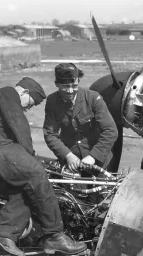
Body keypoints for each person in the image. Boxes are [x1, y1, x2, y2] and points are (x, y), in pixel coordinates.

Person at [0, 77, 87, 256]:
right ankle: (55, 235)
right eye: (31, 103)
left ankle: (3, 234)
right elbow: (19, 125)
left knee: (25, 187)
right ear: (24, 92)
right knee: (35, 173)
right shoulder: (8, 92)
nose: (28, 108)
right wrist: (31, 157)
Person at [43, 63, 118, 201]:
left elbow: (111, 131)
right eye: (65, 86)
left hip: (99, 161)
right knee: (72, 201)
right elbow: (50, 134)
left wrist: (93, 156)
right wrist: (67, 155)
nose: (70, 91)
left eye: (74, 86)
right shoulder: (52, 101)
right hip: (72, 163)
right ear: (57, 84)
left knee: (101, 202)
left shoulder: (93, 98)